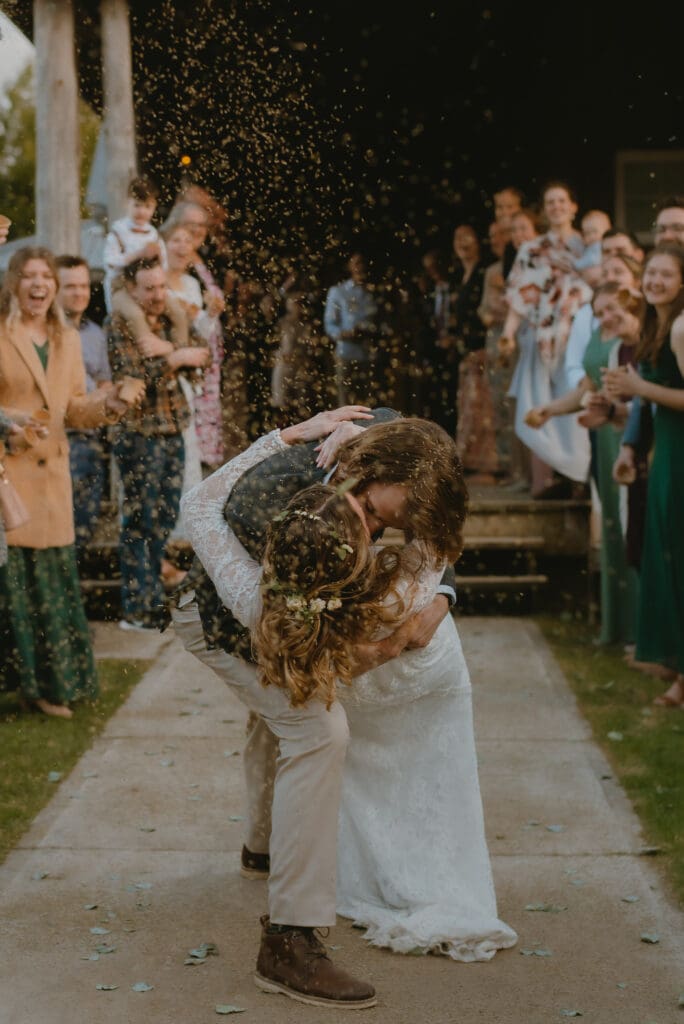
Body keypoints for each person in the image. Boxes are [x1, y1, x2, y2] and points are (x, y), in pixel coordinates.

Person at [176, 407, 515, 1008]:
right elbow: (289, 637)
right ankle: (290, 940)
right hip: (220, 623)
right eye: (394, 517)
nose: (405, 527)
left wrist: (442, 593)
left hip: (291, 610)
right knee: (316, 730)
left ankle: (263, 844)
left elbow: (439, 522)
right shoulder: (276, 507)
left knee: (275, 712)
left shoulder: (386, 441)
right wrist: (384, 645)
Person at [0, 247, 128, 716]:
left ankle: (54, 684)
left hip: (53, 479)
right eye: (28, 276)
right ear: (13, 282)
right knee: (15, 585)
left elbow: (74, 408)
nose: (38, 284)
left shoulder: (68, 338)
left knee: (52, 583)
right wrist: (15, 423)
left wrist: (109, 405)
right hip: (8, 476)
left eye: (45, 277)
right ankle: (29, 685)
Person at [528, 284, 642, 644]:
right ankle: (618, 624)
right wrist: (550, 409)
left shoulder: (636, 334)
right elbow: (586, 390)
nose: (605, 316)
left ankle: (642, 628)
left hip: (627, 427)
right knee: (611, 526)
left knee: (631, 524)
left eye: (611, 309)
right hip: (603, 432)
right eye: (599, 310)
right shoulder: (599, 333)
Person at [107, 256, 209, 630]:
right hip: (138, 433)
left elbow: (203, 352)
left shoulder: (171, 316)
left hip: (172, 428)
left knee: (165, 517)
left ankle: (151, 597)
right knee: (140, 521)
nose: (156, 295)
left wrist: (173, 353)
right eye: (148, 288)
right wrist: (177, 356)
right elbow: (133, 377)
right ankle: (138, 608)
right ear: (131, 290)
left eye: (161, 286)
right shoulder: (119, 322)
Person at [605, 245, 684, 706]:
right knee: (666, 556)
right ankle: (674, 663)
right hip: (666, 456)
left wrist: (638, 387)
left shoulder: (680, 326)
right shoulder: (656, 323)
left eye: (665, 274)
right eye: (650, 273)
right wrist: (631, 449)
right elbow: (654, 401)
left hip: (680, 458)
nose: (654, 281)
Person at [500, 181, 593, 497]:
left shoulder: (588, 246)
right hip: (542, 339)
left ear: (573, 207)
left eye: (562, 201)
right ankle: (545, 483)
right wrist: (508, 334)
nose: (556, 207)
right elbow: (518, 297)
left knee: (578, 404)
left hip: (580, 335)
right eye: (550, 202)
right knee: (540, 404)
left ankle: (581, 477)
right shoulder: (532, 250)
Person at [55, 255, 112, 559]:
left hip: (90, 435)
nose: (79, 293)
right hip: (57, 435)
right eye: (70, 286)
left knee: (86, 517)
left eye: (83, 286)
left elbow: (104, 381)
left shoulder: (95, 333)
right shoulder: (46, 332)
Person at [452, 224, 498, 480]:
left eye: (467, 237)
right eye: (457, 239)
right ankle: (472, 462)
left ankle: (488, 467)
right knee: (469, 408)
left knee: (483, 410)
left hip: (482, 349)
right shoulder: (461, 273)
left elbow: (484, 313)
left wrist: (479, 346)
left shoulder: (484, 272)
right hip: (467, 350)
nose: (462, 243)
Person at [324, 253, 384, 405]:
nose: (360, 267)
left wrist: (371, 331)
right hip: (346, 354)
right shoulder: (338, 292)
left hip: (370, 355)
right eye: (356, 263)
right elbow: (330, 324)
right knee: (345, 403)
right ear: (349, 266)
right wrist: (343, 334)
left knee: (369, 404)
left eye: (363, 262)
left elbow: (384, 323)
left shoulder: (375, 293)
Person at [574, 210, 612, 287]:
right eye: (587, 233)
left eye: (595, 232)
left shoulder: (598, 245)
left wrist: (577, 264)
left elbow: (593, 260)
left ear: (607, 231)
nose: (591, 236)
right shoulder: (590, 247)